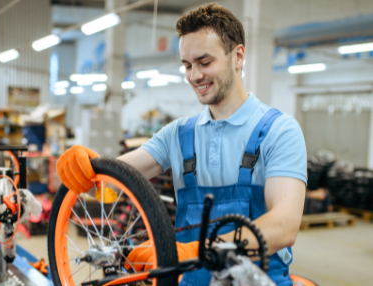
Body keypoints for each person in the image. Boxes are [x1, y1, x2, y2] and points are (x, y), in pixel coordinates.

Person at [56, 4, 307, 286]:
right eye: (187, 65)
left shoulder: (279, 131)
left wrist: (196, 250)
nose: (194, 76)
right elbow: (116, 176)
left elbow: (284, 226)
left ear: (238, 56)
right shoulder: (178, 134)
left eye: (204, 62)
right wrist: (88, 165)